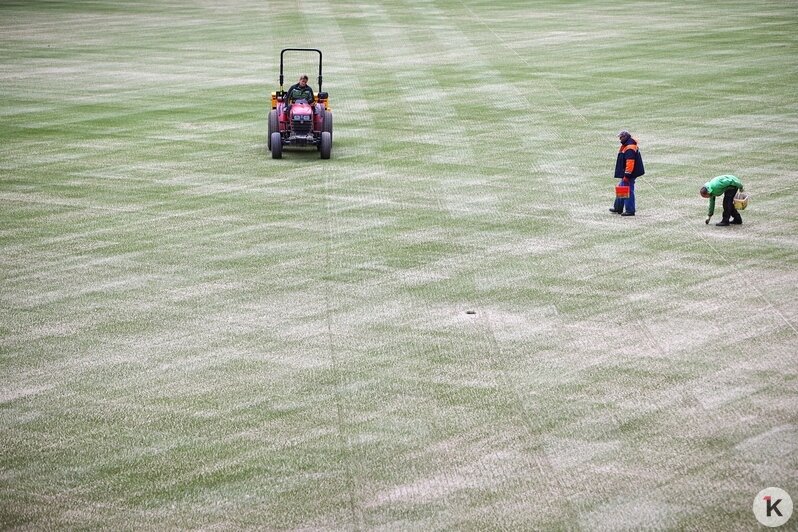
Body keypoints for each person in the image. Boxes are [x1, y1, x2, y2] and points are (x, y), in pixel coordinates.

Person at [609, 130, 645, 216]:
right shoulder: (628, 145)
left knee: (627, 190)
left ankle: (630, 210)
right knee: (622, 188)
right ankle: (618, 208)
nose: (620, 139)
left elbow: (630, 163)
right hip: (629, 173)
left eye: (621, 137)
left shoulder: (629, 148)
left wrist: (627, 175)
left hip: (629, 174)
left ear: (625, 137)